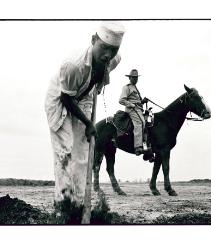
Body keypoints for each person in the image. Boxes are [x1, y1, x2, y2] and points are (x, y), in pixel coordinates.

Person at [45, 21, 125, 223]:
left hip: (85, 95)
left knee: (82, 153)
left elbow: (93, 87)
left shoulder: (115, 60)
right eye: (104, 48)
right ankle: (62, 205)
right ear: (93, 40)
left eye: (113, 50)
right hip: (61, 99)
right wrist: (89, 123)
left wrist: (87, 119)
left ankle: (80, 205)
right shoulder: (73, 64)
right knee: (65, 152)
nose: (108, 54)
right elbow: (66, 98)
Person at [119, 69, 149, 156]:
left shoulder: (135, 88)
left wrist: (142, 102)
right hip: (132, 109)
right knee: (140, 122)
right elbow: (121, 100)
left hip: (138, 109)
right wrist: (131, 105)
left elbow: (137, 101)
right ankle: (137, 147)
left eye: (136, 78)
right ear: (130, 78)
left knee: (147, 122)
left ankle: (146, 146)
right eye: (134, 78)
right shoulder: (127, 87)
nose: (135, 79)